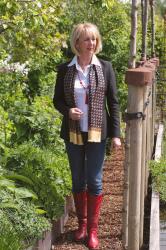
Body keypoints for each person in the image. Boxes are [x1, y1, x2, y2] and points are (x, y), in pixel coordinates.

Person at [53, 22, 121, 250]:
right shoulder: (65, 69)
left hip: (97, 133)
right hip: (73, 133)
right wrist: (67, 111)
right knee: (77, 179)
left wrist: (116, 134)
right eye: (86, 39)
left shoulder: (105, 68)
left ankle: (92, 231)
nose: (91, 43)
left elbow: (113, 102)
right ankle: (81, 225)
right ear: (77, 43)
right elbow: (57, 100)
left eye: (94, 39)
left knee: (94, 179)